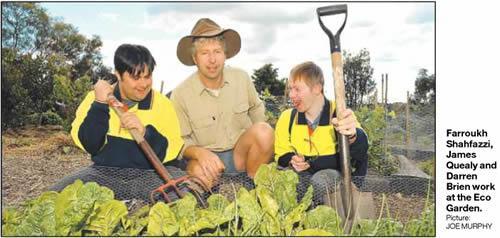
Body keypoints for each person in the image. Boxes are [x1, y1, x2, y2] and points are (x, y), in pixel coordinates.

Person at [170, 18, 274, 188]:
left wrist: (262, 151)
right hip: (208, 159)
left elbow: (258, 114)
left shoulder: (242, 78)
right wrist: (200, 153)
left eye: (217, 51)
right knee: (198, 172)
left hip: (240, 155)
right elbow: (180, 141)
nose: (212, 60)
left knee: (264, 132)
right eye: (205, 53)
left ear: (225, 54)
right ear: (195, 58)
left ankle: (253, 188)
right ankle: (213, 201)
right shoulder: (180, 94)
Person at [70, 43, 184, 169]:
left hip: (150, 174)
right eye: (136, 78)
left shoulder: (163, 105)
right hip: (104, 172)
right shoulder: (95, 98)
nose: (143, 84)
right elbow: (89, 145)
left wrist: (145, 133)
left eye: (147, 77)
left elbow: (173, 150)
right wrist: (99, 105)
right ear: (118, 74)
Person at [274, 61, 369, 202]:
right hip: (302, 174)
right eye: (290, 89)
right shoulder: (287, 118)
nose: (291, 95)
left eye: (297, 89)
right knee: (291, 183)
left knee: (319, 183)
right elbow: (281, 153)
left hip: (333, 174)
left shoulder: (339, 112)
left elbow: (361, 148)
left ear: (317, 88)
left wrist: (352, 136)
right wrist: (292, 160)